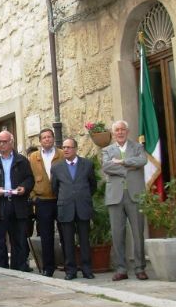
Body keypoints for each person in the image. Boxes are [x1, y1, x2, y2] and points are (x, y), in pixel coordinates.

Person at [102, 120, 149, 281]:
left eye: (123, 129)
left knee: (138, 233)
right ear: (113, 133)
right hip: (115, 196)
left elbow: (142, 161)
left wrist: (122, 162)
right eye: (117, 130)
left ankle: (140, 267)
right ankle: (121, 269)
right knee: (117, 234)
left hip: (134, 194)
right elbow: (106, 167)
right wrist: (129, 168)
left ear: (127, 132)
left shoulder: (137, 147)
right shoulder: (107, 150)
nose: (120, 132)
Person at [0, 131, 34, 271]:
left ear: (11, 142)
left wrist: (24, 187)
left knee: (19, 239)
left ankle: (20, 268)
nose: (1, 144)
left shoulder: (21, 160)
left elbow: (30, 179)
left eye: (4, 142)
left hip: (17, 203)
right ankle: (1, 269)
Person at [51, 138, 97, 280]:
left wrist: (82, 196)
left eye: (69, 147)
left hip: (83, 206)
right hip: (66, 207)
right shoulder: (57, 167)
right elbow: (55, 189)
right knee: (67, 241)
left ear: (76, 149)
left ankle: (86, 269)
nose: (65, 150)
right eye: (64, 147)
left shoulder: (87, 165)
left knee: (84, 240)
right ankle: (70, 270)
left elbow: (92, 185)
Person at [28, 128, 64, 277]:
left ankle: (69, 265)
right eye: (44, 137)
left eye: (49, 137)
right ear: (40, 141)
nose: (47, 139)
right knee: (46, 236)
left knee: (65, 234)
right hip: (43, 201)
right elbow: (28, 177)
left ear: (53, 139)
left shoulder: (61, 154)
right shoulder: (33, 157)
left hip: (61, 199)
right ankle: (48, 267)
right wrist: (33, 195)